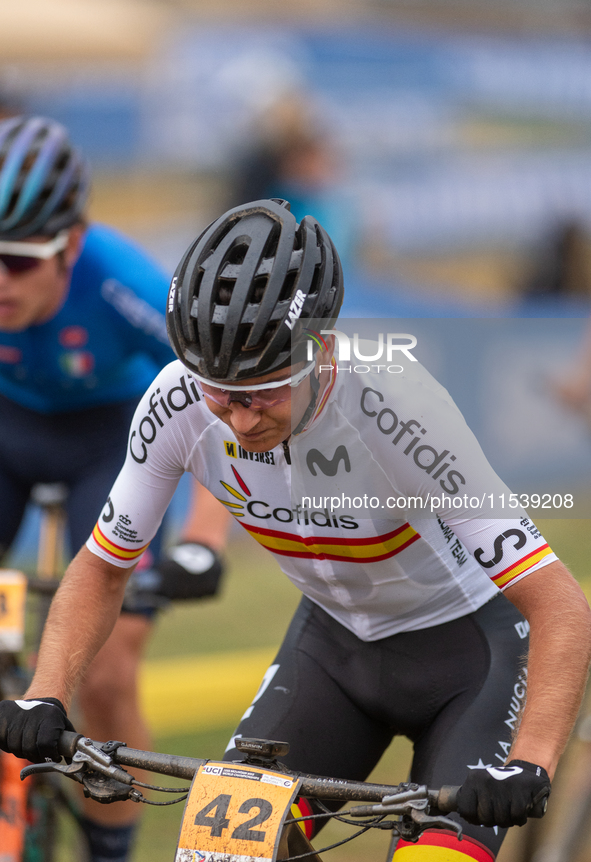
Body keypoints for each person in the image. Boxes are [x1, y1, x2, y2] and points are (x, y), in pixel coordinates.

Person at [0, 198, 590, 861]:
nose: (241, 419)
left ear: (318, 351)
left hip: (469, 658)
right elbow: (105, 566)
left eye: (264, 390)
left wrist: (530, 763)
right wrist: (44, 694)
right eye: (220, 392)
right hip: (333, 653)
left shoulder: (398, 408)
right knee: (217, 855)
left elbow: (560, 604)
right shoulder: (175, 401)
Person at [0, 115, 229, 862]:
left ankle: (111, 846)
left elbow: (223, 401)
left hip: (113, 439)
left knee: (105, 667)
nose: (0, 280)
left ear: (71, 243)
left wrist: (202, 540)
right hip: (9, 431)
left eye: (20, 261)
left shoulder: (124, 283)